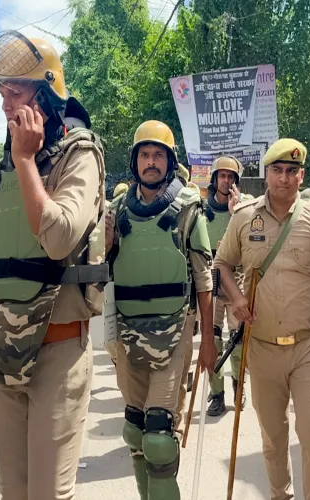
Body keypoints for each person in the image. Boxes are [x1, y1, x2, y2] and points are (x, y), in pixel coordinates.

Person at [0, 31, 106, 499]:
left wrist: (26, 157)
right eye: (2, 93)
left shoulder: (79, 153)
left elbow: (60, 237)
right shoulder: (9, 165)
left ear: (45, 94)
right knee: (15, 492)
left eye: (17, 92)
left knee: (48, 493)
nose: (6, 104)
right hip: (9, 347)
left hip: (59, 351)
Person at [215, 138, 310, 500]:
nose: (283, 178)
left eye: (291, 171)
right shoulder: (245, 217)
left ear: (302, 176)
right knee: (273, 439)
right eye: (277, 171)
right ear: (266, 175)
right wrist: (235, 298)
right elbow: (221, 265)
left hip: (307, 345)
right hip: (261, 346)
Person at [105, 120, 215, 500]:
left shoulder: (188, 208)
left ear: (169, 162)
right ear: (135, 161)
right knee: (134, 430)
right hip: (127, 331)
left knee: (159, 436)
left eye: (158, 155)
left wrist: (209, 342)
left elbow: (204, 280)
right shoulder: (115, 211)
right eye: (144, 155)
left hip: (175, 328)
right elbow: (99, 267)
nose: (151, 162)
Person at [204, 155, 251, 417]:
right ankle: (217, 393)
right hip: (210, 285)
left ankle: (238, 387)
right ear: (214, 179)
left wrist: (235, 214)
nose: (226, 180)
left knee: (238, 341)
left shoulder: (244, 211)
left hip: (236, 284)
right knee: (213, 341)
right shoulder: (202, 210)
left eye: (231, 176)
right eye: (222, 176)